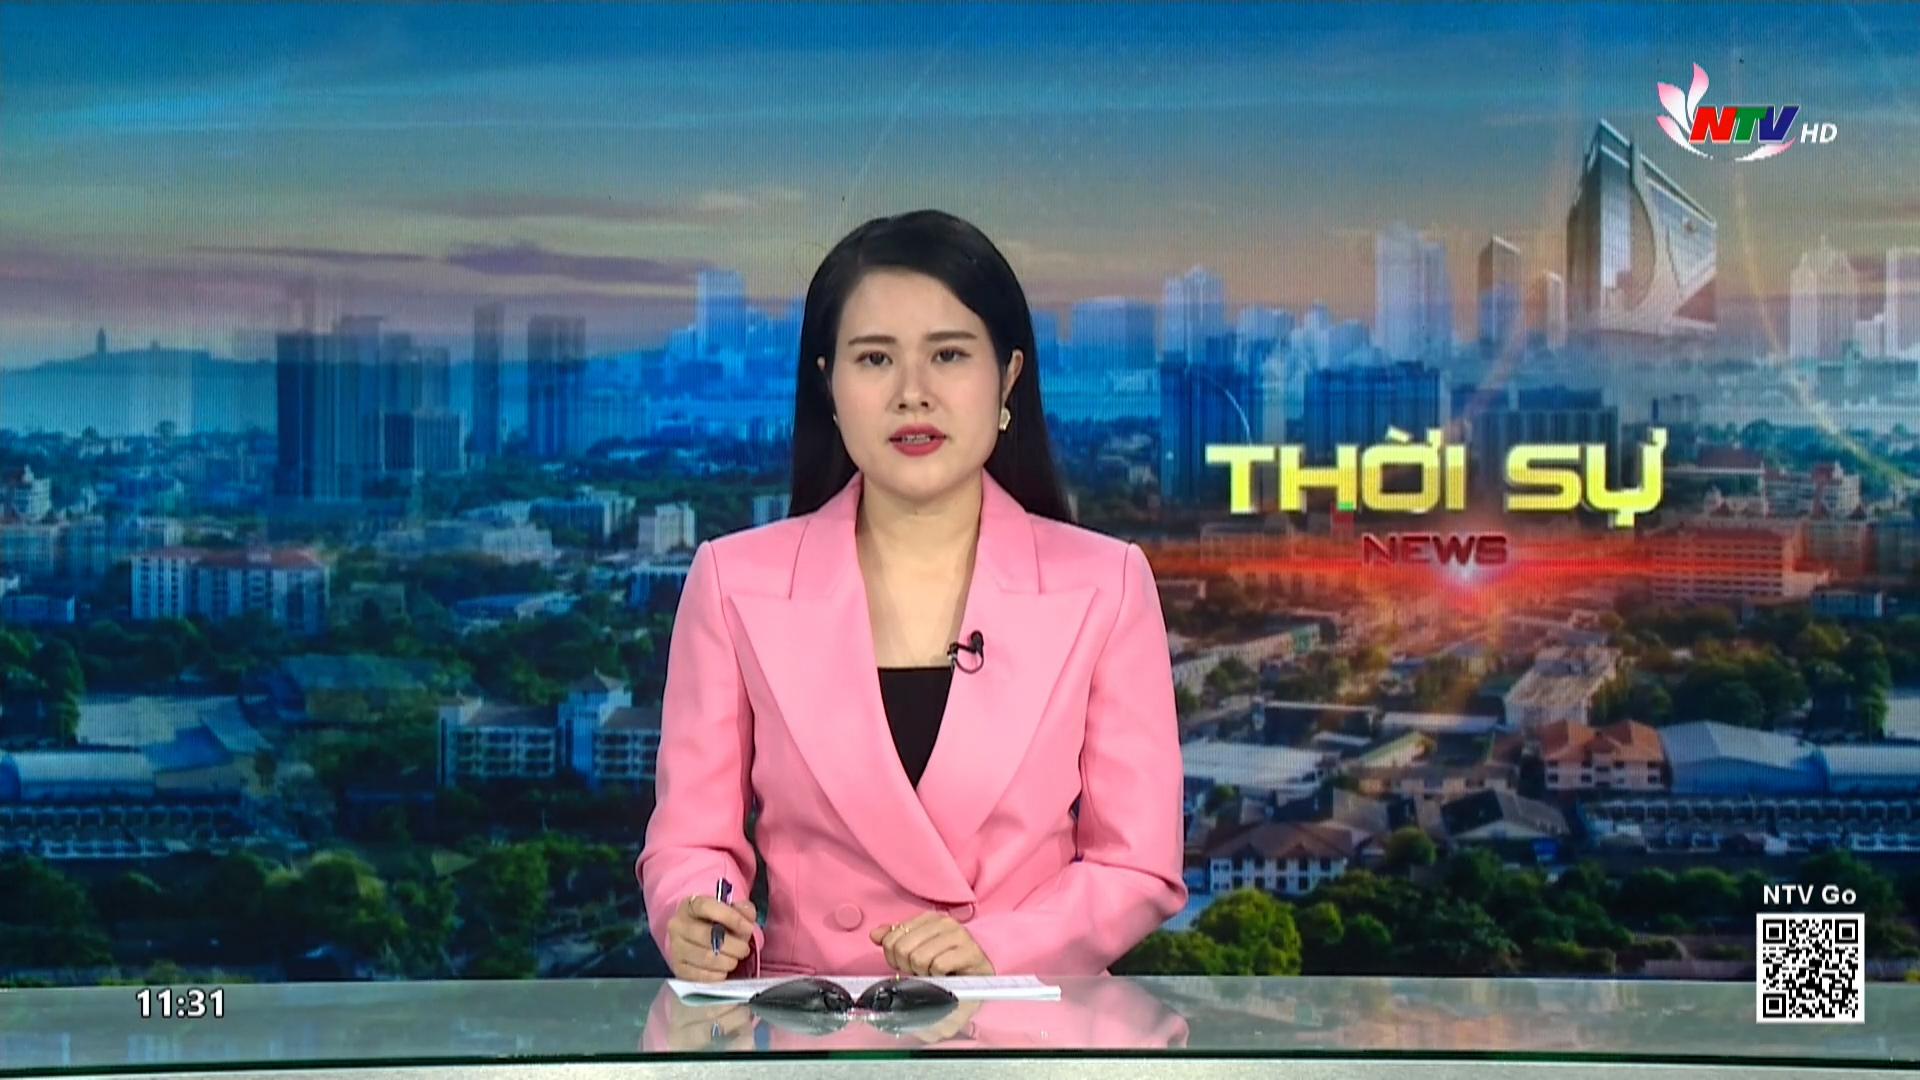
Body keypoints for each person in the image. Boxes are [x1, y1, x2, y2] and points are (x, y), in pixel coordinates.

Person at [638, 209, 1186, 981]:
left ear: (1008, 378)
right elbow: (692, 843)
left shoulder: (1107, 583)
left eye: (949, 355)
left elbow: (1137, 865)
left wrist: (999, 950)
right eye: (874, 359)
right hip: (813, 1027)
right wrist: (697, 910)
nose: (912, 394)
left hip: (1024, 1025)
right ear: (829, 385)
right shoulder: (733, 582)